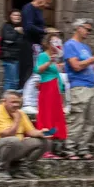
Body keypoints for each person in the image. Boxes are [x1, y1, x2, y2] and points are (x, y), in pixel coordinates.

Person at [62, 19, 94, 159]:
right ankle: (69, 148)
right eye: (87, 29)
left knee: (90, 120)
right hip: (78, 86)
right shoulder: (70, 45)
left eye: (90, 30)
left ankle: (82, 148)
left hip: (90, 86)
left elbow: (88, 66)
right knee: (77, 119)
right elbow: (76, 66)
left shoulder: (85, 47)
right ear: (78, 28)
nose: (89, 32)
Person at [0, 91, 52, 180]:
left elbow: (30, 131)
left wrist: (41, 133)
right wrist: (17, 119)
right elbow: (7, 134)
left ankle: (22, 169)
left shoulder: (20, 113)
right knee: (13, 140)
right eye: (13, 102)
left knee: (44, 142)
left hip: (15, 145)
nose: (16, 105)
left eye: (18, 102)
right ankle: (0, 170)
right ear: (3, 102)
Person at [35, 29, 71, 159]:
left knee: (56, 117)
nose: (56, 44)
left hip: (55, 89)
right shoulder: (44, 55)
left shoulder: (56, 58)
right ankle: (45, 150)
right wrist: (49, 62)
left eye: (58, 41)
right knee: (47, 116)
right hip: (48, 89)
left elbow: (56, 73)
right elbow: (37, 70)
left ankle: (55, 149)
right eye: (54, 41)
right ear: (48, 43)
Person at [19, 0, 52, 89]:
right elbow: (28, 27)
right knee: (29, 71)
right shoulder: (28, 8)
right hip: (29, 44)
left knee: (36, 71)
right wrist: (45, 31)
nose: (47, 6)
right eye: (46, 3)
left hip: (36, 45)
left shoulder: (38, 11)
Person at [0, 10, 25, 92]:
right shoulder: (6, 26)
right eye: (15, 15)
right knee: (11, 82)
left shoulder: (22, 28)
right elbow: (8, 39)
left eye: (19, 15)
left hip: (19, 57)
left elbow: (22, 42)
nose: (17, 17)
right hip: (10, 57)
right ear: (10, 16)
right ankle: (6, 102)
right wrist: (17, 32)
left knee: (16, 82)